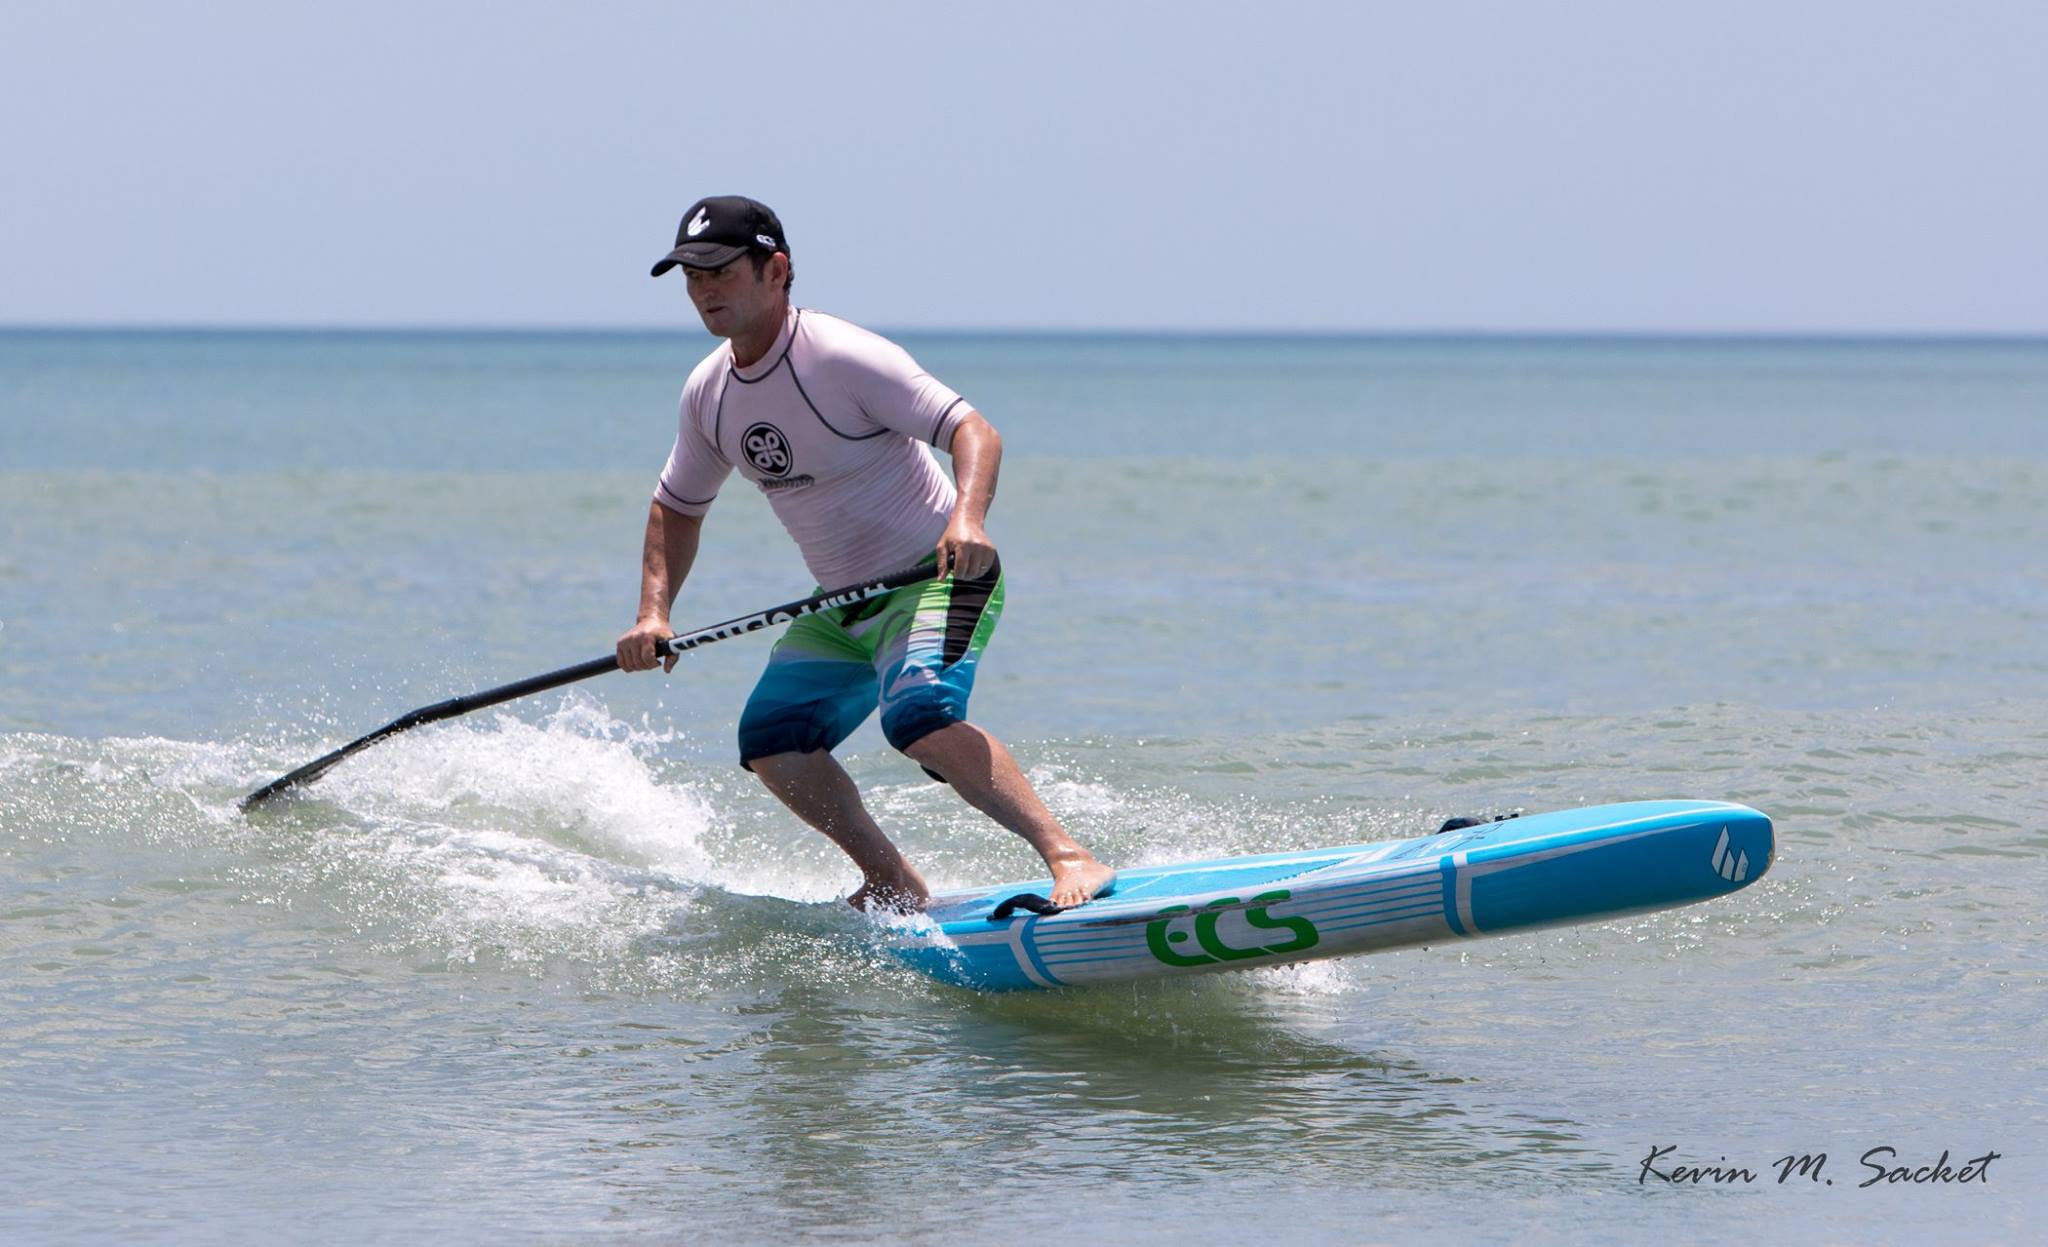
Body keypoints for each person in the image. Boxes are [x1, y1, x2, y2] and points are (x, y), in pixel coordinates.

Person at [615, 195, 1117, 914]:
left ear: (775, 269)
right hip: (843, 605)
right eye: (691, 276)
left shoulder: (842, 357)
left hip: (939, 576)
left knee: (917, 714)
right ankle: (891, 878)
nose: (702, 290)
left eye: (719, 271)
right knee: (771, 739)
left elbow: (975, 431)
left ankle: (1071, 856)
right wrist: (653, 613)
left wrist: (967, 519)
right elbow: (676, 507)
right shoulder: (709, 393)